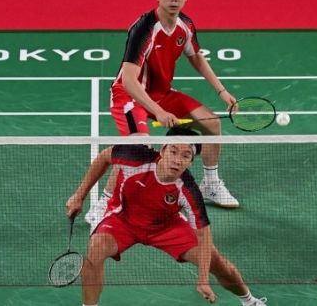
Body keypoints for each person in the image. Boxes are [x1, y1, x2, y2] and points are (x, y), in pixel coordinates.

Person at [86, 0, 239, 230]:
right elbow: (128, 80)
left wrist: (222, 91)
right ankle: (103, 203)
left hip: (162, 94)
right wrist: (157, 111)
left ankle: (211, 184)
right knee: (138, 145)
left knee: (212, 123)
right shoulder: (144, 29)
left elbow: (197, 57)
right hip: (129, 96)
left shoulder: (185, 25)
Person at [67, 128, 267, 306]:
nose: (177, 159)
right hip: (123, 218)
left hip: (166, 227)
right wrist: (79, 195)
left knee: (216, 261)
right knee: (96, 249)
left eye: (186, 155)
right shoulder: (136, 157)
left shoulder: (188, 189)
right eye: (173, 151)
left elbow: (204, 235)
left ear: (191, 161)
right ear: (163, 150)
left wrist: (203, 279)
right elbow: (104, 157)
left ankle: (249, 301)